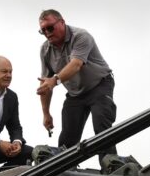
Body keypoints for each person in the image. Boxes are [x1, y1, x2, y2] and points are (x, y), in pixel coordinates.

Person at [36, 9, 117, 160]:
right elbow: (45, 85)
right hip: (75, 94)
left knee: (101, 126)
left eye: (50, 28)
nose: (47, 32)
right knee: (67, 138)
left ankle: (111, 165)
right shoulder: (45, 50)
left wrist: (55, 80)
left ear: (62, 22)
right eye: (43, 30)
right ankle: (64, 170)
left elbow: (76, 65)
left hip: (99, 86)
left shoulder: (81, 36)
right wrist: (46, 114)